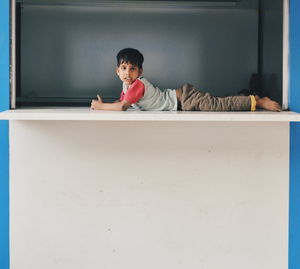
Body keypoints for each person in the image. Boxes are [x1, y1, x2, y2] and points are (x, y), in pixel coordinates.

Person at [91, 48, 281, 112]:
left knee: (218, 105)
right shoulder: (127, 85)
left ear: (140, 71)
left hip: (185, 99)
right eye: (124, 68)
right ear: (117, 71)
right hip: (181, 99)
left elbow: (122, 107)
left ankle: (258, 101)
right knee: (217, 101)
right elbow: (120, 101)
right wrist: (105, 104)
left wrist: (100, 107)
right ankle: (247, 94)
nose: (128, 72)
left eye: (132, 69)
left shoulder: (137, 85)